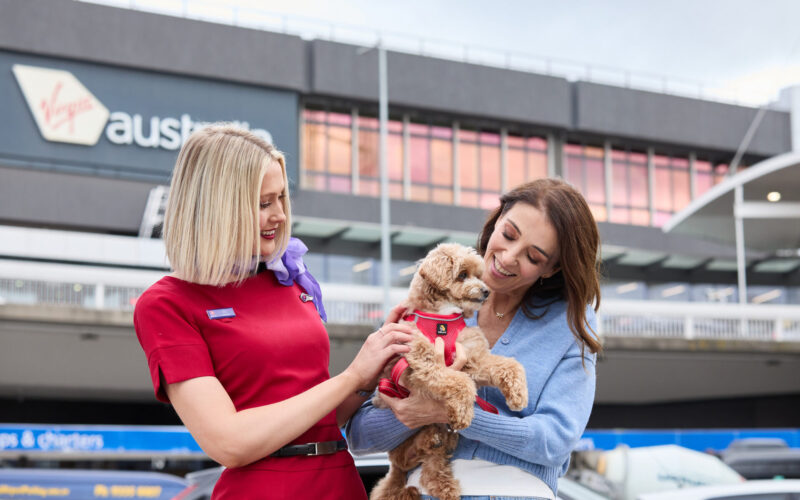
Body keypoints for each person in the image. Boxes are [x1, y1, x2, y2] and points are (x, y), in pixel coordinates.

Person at [133, 124, 414, 500]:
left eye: (282, 198)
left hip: (339, 482)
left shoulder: (290, 280)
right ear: (218, 206)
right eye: (264, 203)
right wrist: (351, 377)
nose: (280, 215)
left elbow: (321, 417)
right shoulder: (167, 304)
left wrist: (376, 367)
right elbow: (228, 441)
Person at [346, 178, 603, 500]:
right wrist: (414, 404)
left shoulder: (569, 323)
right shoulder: (431, 307)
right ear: (495, 221)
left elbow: (555, 441)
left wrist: (448, 411)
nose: (508, 257)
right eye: (508, 235)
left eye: (533, 257)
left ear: (551, 269)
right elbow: (359, 436)